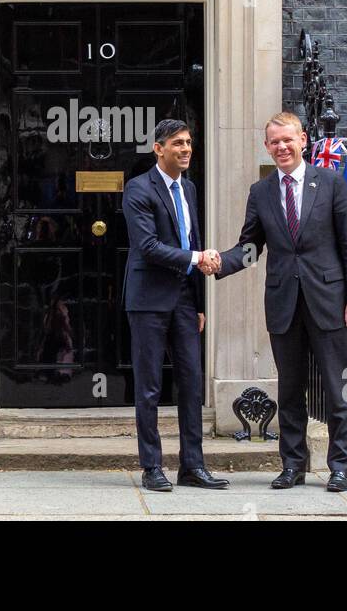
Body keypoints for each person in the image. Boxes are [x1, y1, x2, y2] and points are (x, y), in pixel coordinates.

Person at [213, 111, 347, 491]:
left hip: (329, 301)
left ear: (303, 140)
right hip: (284, 304)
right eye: (274, 142)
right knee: (290, 388)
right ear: (266, 146)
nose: (281, 147)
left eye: (288, 139)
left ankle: (341, 467)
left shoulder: (330, 183)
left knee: (338, 387)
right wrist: (219, 262)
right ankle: (293, 465)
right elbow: (251, 246)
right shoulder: (261, 191)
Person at [121, 119, 229, 492]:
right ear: (159, 148)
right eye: (178, 144)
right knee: (149, 387)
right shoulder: (138, 189)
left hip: (184, 299)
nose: (186, 149)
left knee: (191, 384)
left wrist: (199, 303)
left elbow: (191, 235)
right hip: (149, 300)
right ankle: (152, 467)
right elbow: (148, 246)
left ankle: (192, 466)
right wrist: (198, 257)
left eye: (188, 143)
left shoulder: (190, 189)